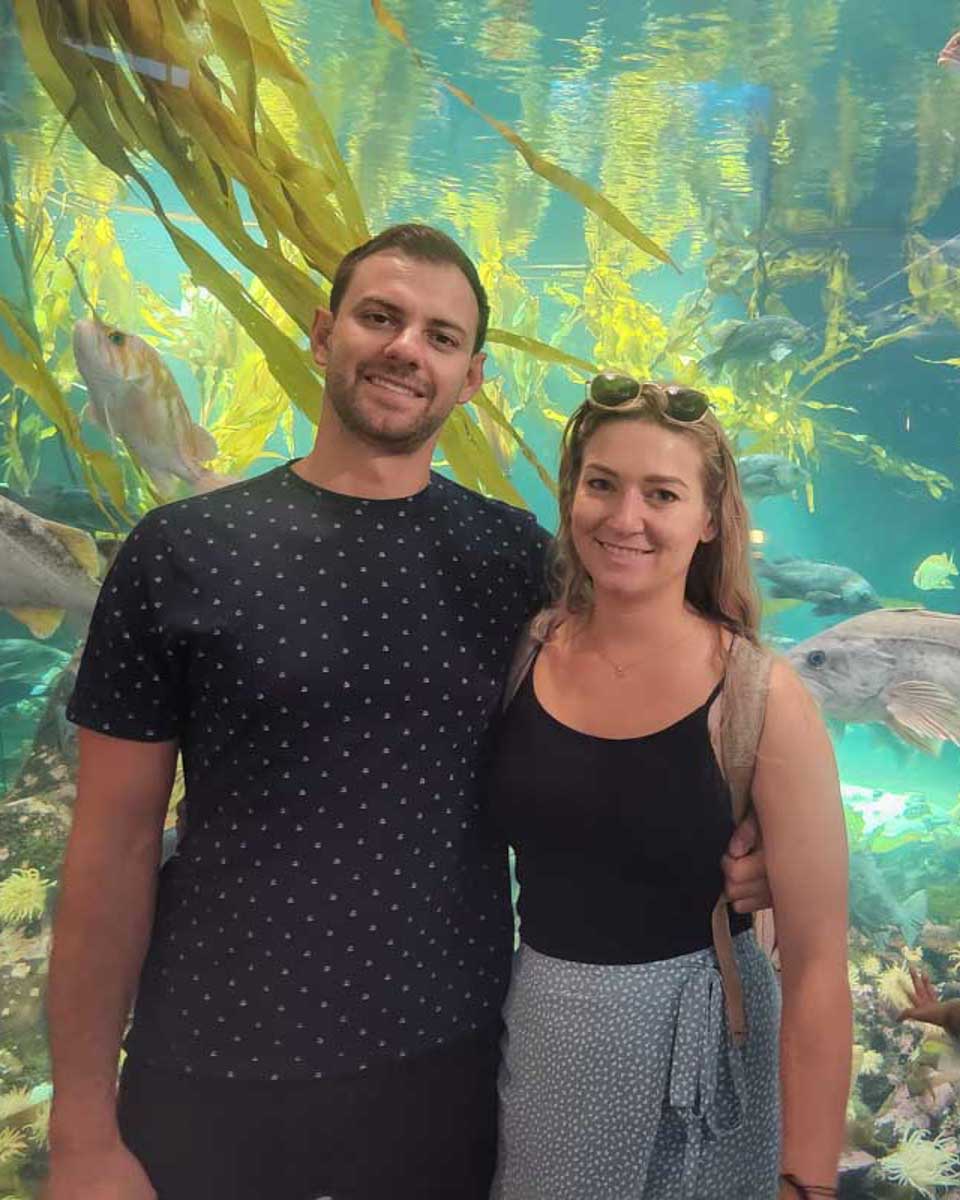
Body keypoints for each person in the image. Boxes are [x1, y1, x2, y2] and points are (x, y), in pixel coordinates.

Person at [42, 225, 773, 1200]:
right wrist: (83, 1126)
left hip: (450, 1071)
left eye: (439, 336)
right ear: (320, 333)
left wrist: (744, 826)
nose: (404, 349)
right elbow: (111, 849)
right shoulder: (179, 553)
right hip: (211, 1062)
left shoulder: (517, 559)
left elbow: (655, 707)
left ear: (471, 378)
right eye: (379, 317)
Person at [485, 375, 852, 1200]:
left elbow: (821, 963)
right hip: (545, 1038)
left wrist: (808, 1182)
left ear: (707, 518)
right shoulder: (521, 652)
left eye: (662, 493)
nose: (625, 519)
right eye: (603, 484)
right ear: (571, 490)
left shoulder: (762, 696)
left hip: (710, 1046)